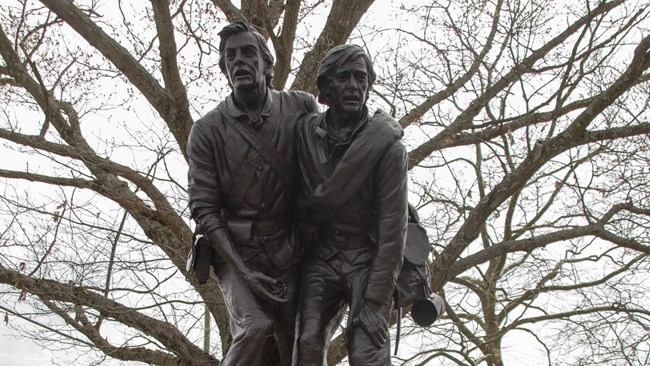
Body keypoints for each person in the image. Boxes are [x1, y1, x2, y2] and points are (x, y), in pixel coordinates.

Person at [187, 21, 318, 366]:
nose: (238, 61)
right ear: (223, 69)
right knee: (255, 327)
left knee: (299, 344)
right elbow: (204, 209)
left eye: (248, 52)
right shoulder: (206, 131)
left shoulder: (301, 108)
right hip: (236, 254)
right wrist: (245, 272)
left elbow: (330, 163)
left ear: (267, 64)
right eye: (230, 56)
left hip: (290, 251)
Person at [292, 44, 408, 366]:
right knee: (306, 341)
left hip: (366, 259)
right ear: (326, 88)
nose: (354, 86)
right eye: (344, 77)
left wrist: (374, 303)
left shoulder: (389, 150)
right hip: (322, 257)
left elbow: (392, 235)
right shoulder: (304, 134)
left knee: (366, 346)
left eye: (361, 78)